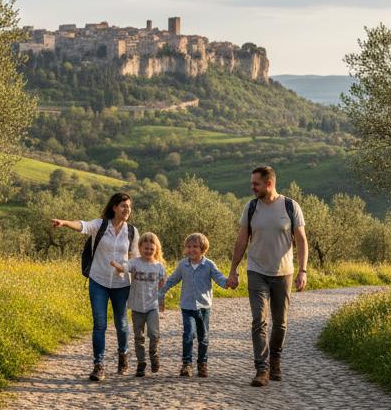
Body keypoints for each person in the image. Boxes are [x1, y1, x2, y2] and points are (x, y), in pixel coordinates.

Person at [226, 166, 308, 387]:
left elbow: (301, 240)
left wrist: (303, 270)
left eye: (256, 184)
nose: (252, 187)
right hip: (256, 271)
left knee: (280, 324)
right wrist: (233, 269)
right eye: (252, 183)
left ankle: (275, 360)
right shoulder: (251, 207)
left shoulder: (290, 206)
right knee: (259, 321)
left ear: (269, 184)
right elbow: (241, 240)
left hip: (284, 273)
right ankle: (261, 368)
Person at [51, 192, 138, 381]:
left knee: (121, 323)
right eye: (123, 206)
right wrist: (65, 223)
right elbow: (83, 226)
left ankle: (123, 354)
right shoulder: (100, 225)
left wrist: (141, 278)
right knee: (99, 324)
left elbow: (134, 259)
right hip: (98, 280)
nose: (127, 209)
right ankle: (99, 365)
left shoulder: (132, 231)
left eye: (129, 206)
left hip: (121, 283)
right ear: (114, 207)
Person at [162, 232, 228, 378]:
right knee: (188, 335)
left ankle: (202, 363)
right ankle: (187, 364)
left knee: (203, 337)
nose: (191, 250)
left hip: (204, 307)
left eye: (195, 247)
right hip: (187, 306)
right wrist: (161, 291)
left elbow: (219, 278)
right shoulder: (183, 265)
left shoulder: (209, 265)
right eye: (189, 246)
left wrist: (228, 283)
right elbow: (172, 279)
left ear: (203, 249)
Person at [111, 232, 167, 377]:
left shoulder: (159, 267)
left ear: (156, 250)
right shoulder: (135, 263)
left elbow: (162, 287)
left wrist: (162, 304)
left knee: (154, 334)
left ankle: (154, 354)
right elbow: (124, 267)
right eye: (145, 248)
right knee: (138, 337)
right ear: (140, 248)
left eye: (151, 249)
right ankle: (141, 363)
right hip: (137, 306)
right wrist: (115, 264)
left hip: (152, 306)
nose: (148, 251)